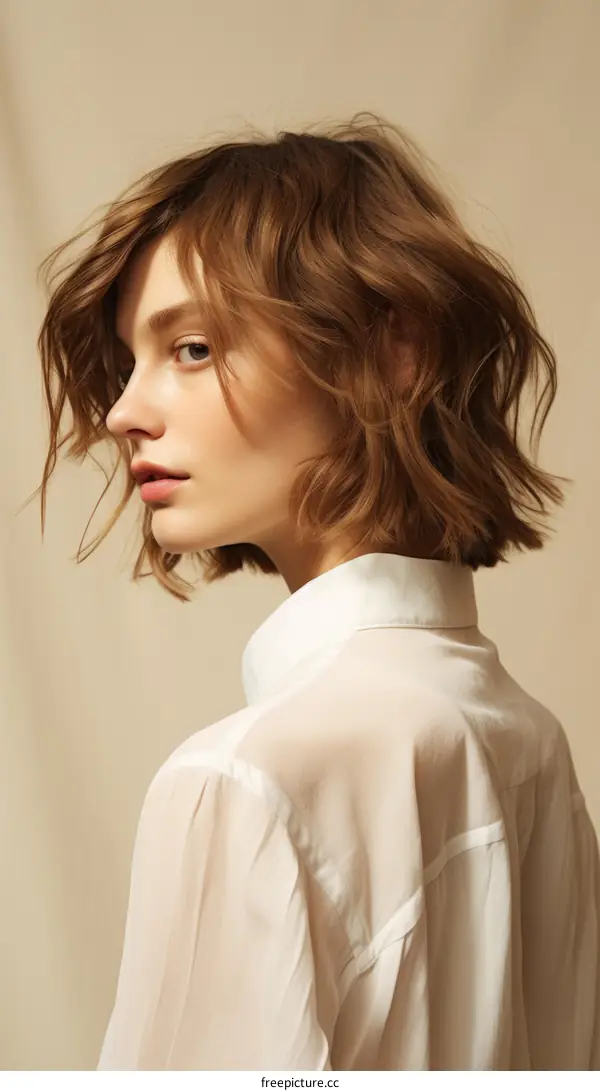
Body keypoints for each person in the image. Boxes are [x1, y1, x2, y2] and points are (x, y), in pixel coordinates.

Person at [22, 111, 600, 1069]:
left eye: (191, 347)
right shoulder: (530, 747)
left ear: (392, 350)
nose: (123, 411)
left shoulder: (239, 782)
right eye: (129, 361)